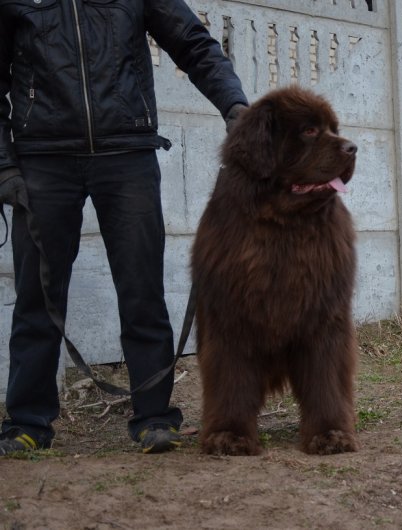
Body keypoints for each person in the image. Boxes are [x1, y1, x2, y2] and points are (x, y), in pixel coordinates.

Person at [0, 0, 248, 455]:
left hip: (127, 153)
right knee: (37, 299)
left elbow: (193, 43)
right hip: (42, 160)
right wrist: (4, 168)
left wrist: (233, 104)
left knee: (142, 291)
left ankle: (154, 418)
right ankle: (28, 422)